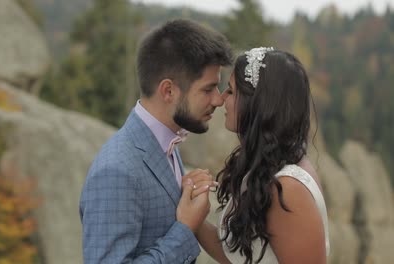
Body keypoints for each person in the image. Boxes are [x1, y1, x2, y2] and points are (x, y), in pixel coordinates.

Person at [79, 19, 233, 263]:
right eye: (208, 89)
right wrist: (184, 229)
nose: (218, 100)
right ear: (168, 91)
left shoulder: (167, 144)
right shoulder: (116, 170)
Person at [189, 47, 330, 264]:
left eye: (231, 91)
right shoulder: (267, 169)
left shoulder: (288, 187)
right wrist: (193, 217)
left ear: (257, 103)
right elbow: (240, 257)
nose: (221, 99)